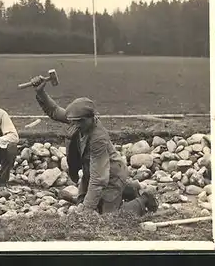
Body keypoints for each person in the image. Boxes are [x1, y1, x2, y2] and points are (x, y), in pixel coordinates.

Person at [29, 75, 158, 216]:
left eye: (79, 122)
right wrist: (40, 92)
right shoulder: (78, 119)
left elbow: (99, 179)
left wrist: (86, 210)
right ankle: (130, 189)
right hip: (91, 173)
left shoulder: (98, 138)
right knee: (84, 203)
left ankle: (144, 199)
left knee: (110, 218)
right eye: (73, 121)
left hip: (112, 176)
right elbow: (54, 111)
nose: (75, 125)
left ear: (91, 118)